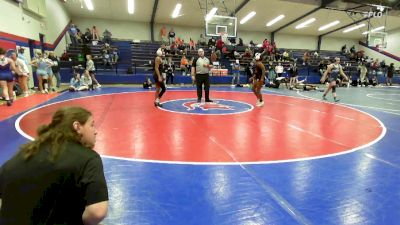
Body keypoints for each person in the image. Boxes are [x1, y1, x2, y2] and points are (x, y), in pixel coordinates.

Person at [0, 106, 108, 225]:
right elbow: (97, 212)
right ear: (77, 126)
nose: (95, 131)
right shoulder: (88, 158)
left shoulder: (24, 154)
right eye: (92, 125)